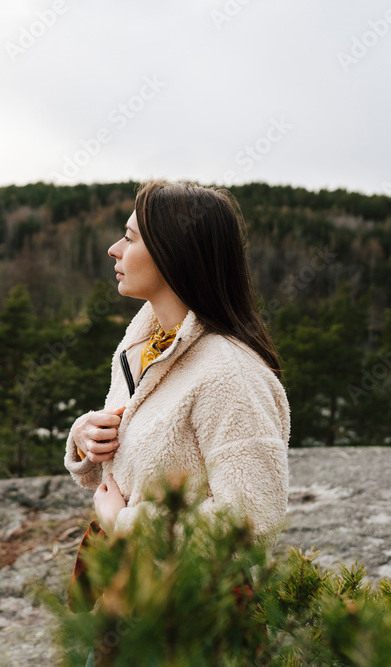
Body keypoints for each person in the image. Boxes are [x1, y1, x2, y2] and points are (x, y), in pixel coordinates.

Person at [64, 179, 291, 664]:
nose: (114, 249)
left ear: (174, 252)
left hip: (188, 617)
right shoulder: (144, 346)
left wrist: (124, 524)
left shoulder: (229, 373)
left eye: (130, 236)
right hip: (127, 599)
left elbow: (251, 521)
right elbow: (140, 449)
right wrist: (87, 436)